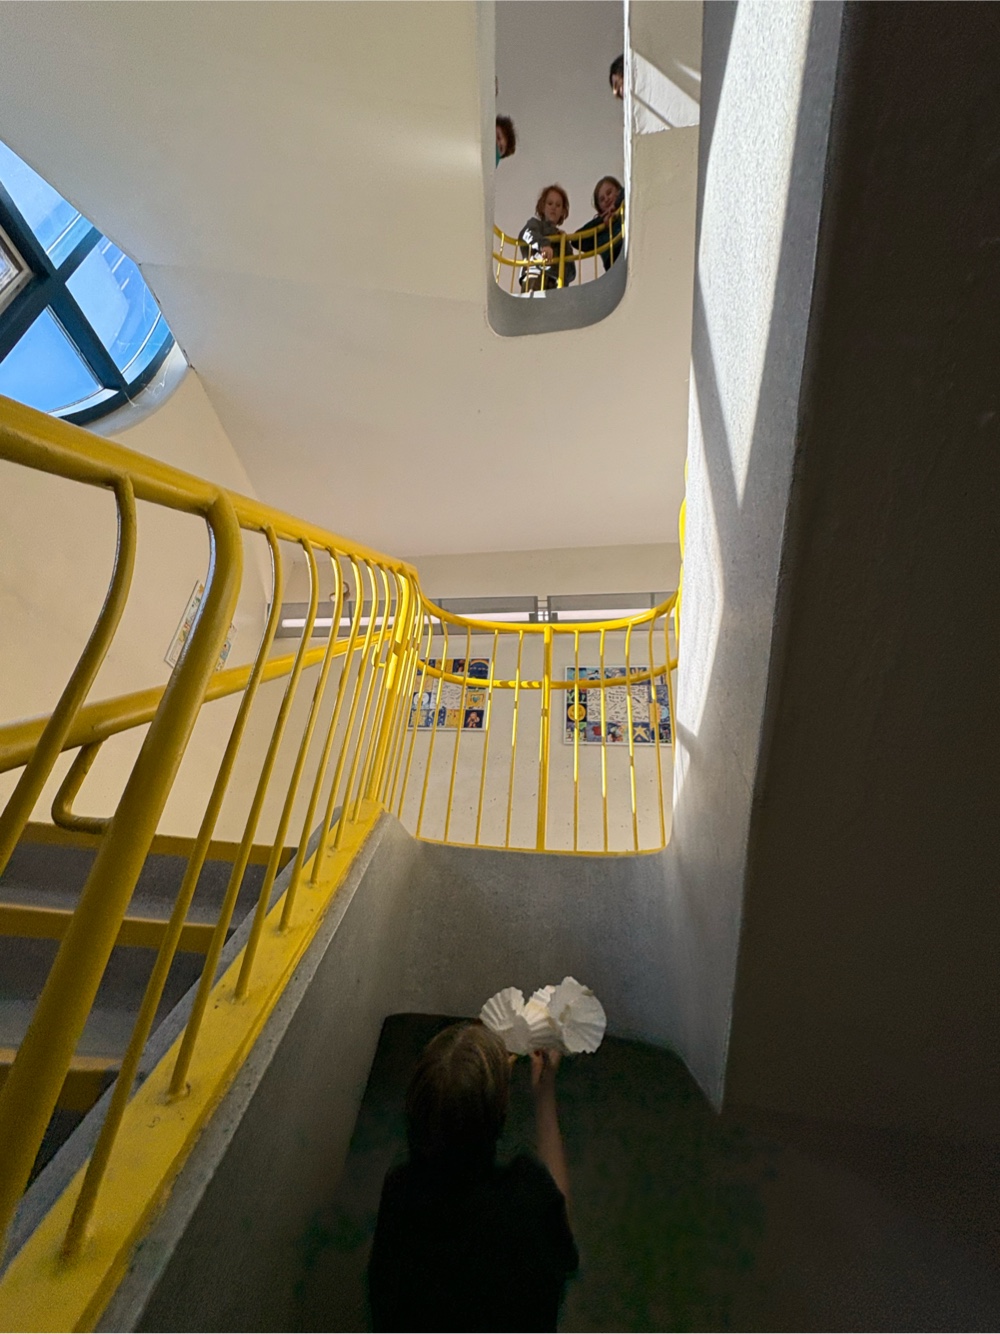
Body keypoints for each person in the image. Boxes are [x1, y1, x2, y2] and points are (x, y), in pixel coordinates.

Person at [368, 1022, 577, 1332]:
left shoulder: (400, 1190)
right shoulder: (524, 1199)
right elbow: (559, 1222)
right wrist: (544, 1094)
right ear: (500, 1113)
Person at [517, 185, 576, 292]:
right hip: (536, 273)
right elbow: (528, 233)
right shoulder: (535, 224)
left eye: (558, 205)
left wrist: (565, 242)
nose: (554, 207)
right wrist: (544, 245)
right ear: (542, 207)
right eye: (550, 203)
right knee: (532, 299)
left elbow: (570, 271)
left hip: (556, 282)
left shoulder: (561, 237)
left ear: (563, 211)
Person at [576, 175, 625, 273]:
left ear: (618, 191)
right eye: (602, 199)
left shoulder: (626, 206)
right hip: (612, 266)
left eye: (609, 192)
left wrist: (616, 205)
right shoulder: (600, 228)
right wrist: (602, 220)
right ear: (599, 207)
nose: (606, 199)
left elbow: (629, 190)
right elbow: (576, 240)